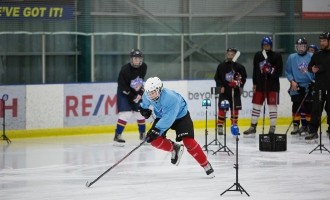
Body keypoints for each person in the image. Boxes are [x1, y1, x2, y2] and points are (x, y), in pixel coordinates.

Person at [139, 77, 215, 177]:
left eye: (154, 92)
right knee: (154, 141)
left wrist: (156, 130)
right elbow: (144, 103)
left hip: (180, 116)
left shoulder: (171, 98)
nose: (151, 95)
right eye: (149, 93)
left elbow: (169, 119)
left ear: (160, 90)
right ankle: (175, 148)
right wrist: (144, 110)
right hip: (162, 116)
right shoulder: (147, 94)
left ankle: (205, 164)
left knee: (189, 142)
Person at [243, 36, 283, 135]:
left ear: (271, 45)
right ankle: (253, 126)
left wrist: (271, 70)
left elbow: (279, 71)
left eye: (268, 45)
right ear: (262, 45)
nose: (266, 47)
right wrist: (255, 83)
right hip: (260, 85)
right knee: (256, 106)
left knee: (272, 107)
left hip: (273, 86)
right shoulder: (258, 55)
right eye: (264, 45)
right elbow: (255, 71)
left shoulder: (276, 56)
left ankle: (272, 127)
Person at [114, 49, 147, 143]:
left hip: (135, 91)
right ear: (131, 59)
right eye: (135, 58)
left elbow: (140, 81)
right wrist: (133, 96)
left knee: (140, 113)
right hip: (123, 93)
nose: (137, 60)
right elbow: (122, 85)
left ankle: (143, 135)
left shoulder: (144, 67)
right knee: (126, 114)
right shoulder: (125, 69)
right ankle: (117, 135)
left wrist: (140, 93)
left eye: (139, 58)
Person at [214, 48, 247, 135]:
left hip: (235, 92)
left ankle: (234, 126)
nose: (230, 56)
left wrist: (239, 85)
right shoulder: (221, 66)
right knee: (222, 108)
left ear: (235, 56)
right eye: (228, 54)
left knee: (235, 109)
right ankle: (220, 126)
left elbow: (243, 78)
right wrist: (220, 86)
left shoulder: (240, 67)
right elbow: (216, 78)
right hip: (224, 92)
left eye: (232, 54)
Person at [285, 37, 314, 136]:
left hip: (309, 86)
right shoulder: (292, 57)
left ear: (306, 47)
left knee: (309, 107)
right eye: (299, 46)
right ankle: (296, 125)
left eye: (303, 46)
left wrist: (313, 82)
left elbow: (315, 70)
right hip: (296, 86)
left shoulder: (311, 56)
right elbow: (288, 72)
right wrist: (292, 81)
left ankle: (309, 126)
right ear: (296, 47)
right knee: (296, 105)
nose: (301, 48)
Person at [305, 32, 330, 140]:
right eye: (321, 41)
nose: (322, 43)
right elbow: (310, 66)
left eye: (324, 41)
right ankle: (313, 131)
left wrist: (321, 67)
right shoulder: (317, 54)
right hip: (319, 86)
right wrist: (312, 69)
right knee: (316, 109)